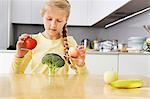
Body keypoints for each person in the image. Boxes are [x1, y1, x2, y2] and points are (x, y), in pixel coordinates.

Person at [12, 0, 87, 75]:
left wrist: (81, 65)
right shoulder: (33, 41)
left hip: (61, 87)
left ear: (65, 21)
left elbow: (82, 78)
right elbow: (15, 75)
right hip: (36, 87)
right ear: (42, 16)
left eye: (59, 20)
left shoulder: (70, 42)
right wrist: (19, 56)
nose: (53, 25)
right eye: (49, 19)